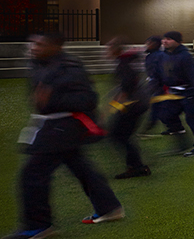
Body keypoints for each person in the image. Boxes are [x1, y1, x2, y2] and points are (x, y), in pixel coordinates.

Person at [7, 31, 123, 239]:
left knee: (32, 174)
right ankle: (110, 208)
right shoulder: (39, 63)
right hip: (53, 126)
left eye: (40, 44)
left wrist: (50, 101)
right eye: (32, 43)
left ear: (56, 46)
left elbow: (87, 99)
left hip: (64, 127)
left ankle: (38, 225)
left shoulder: (69, 67)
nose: (34, 47)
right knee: (80, 166)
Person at [104, 36, 150, 179]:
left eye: (108, 49)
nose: (106, 52)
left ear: (115, 50)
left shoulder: (123, 64)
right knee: (122, 135)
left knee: (118, 135)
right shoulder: (126, 61)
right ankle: (136, 166)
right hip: (138, 103)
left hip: (133, 105)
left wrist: (109, 109)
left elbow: (125, 90)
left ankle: (137, 167)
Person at [158, 31, 194, 156]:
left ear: (177, 41)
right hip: (173, 93)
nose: (165, 41)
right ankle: (181, 142)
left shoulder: (185, 56)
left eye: (169, 39)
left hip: (189, 93)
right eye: (164, 39)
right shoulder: (165, 55)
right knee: (166, 115)